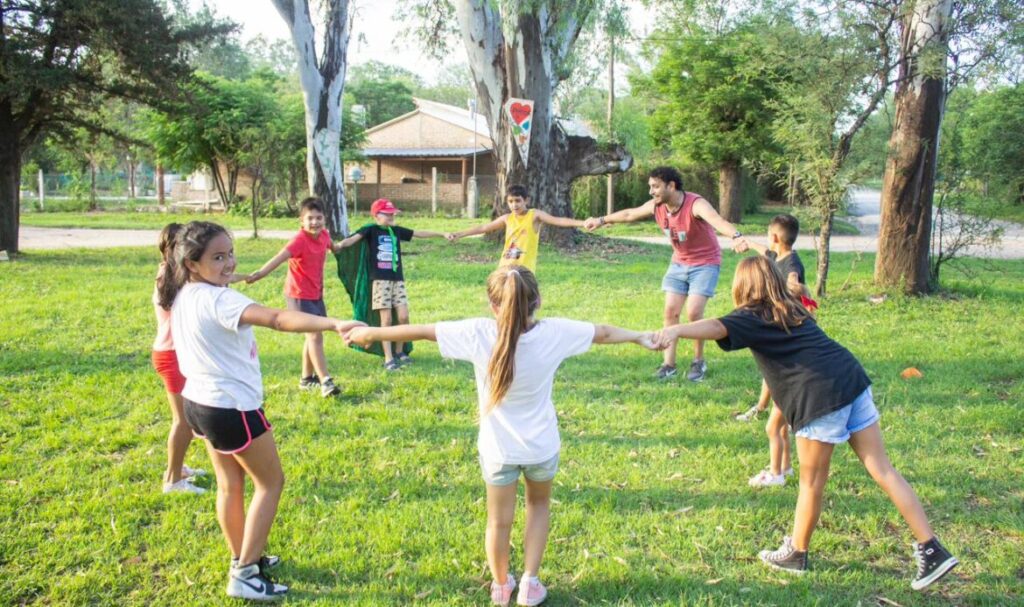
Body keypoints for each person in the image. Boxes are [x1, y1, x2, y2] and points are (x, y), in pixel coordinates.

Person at [342, 266, 662, 606]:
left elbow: (422, 331)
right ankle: (530, 584)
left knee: (498, 521)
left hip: (498, 452)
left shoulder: (477, 333)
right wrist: (640, 336)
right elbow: (604, 333)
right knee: (538, 506)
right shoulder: (556, 333)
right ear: (538, 301)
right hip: (541, 448)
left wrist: (371, 333)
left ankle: (500, 586)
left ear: (493, 305)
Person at [654, 256, 958, 589]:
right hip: (852, 379)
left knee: (811, 483)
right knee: (884, 470)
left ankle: (797, 554)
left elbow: (716, 326)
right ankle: (932, 548)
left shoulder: (751, 315)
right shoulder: (792, 307)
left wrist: (676, 329)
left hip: (820, 395)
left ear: (741, 287)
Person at [163, 221, 364, 601]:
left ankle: (244, 557)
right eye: (217, 257)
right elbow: (277, 318)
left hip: (198, 405)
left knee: (230, 484)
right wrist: (335, 323)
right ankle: (244, 574)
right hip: (231, 408)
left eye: (230, 253)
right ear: (191, 263)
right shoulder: (221, 300)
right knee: (270, 483)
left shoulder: (185, 293)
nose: (228, 263)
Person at [583, 166, 746, 382]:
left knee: (694, 312)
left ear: (671, 186)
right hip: (679, 263)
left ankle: (698, 361)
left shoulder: (695, 204)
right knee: (670, 312)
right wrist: (601, 220)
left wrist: (736, 236)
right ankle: (669, 364)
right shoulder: (657, 206)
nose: (651, 191)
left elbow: (717, 221)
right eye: (650, 187)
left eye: (656, 186)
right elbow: (630, 214)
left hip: (705, 263)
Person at [734, 214, 812, 488]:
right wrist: (748, 243)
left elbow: (793, 282)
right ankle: (786, 468)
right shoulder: (776, 256)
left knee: (773, 427)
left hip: (789, 348)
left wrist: (797, 287)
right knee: (781, 423)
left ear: (775, 237)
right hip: (787, 349)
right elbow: (765, 252)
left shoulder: (791, 264)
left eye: (768, 236)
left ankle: (775, 473)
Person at [334, 198, 449, 371]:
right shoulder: (370, 230)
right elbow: (352, 240)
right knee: (386, 319)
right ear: (376, 216)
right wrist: (338, 245)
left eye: (392, 214)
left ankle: (400, 351)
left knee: (403, 317)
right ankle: (388, 357)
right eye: (387, 214)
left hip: (397, 280)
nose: (391, 216)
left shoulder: (396, 231)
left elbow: (418, 233)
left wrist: (442, 234)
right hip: (380, 281)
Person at [247, 197, 344, 398]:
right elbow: (279, 257)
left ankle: (306, 379)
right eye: (310, 218)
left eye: (319, 218)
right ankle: (326, 381)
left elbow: (334, 247)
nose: (315, 222)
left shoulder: (324, 235)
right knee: (314, 335)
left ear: (325, 219)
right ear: (302, 221)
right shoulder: (299, 240)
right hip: (299, 295)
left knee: (313, 335)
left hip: (316, 294)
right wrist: (260, 273)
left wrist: (350, 244)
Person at [152, 222, 218, 494]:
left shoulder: (169, 271)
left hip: (174, 353)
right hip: (172, 355)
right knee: (183, 421)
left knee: (188, 419)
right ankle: (172, 480)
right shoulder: (175, 278)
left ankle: (178, 469)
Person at [448, 184, 586, 273]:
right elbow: (484, 227)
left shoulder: (534, 215)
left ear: (526, 200)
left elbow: (558, 220)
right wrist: (460, 234)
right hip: (505, 267)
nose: (514, 205)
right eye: (511, 201)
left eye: (518, 200)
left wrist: (583, 223)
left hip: (524, 270)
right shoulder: (507, 218)